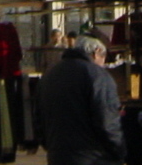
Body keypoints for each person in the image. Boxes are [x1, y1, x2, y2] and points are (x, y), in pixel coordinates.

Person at [36, 34, 124, 165]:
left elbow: (39, 119)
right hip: (93, 157)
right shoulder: (98, 76)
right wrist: (119, 151)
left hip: (58, 155)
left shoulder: (50, 75)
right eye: (104, 57)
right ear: (96, 52)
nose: (104, 63)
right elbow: (107, 121)